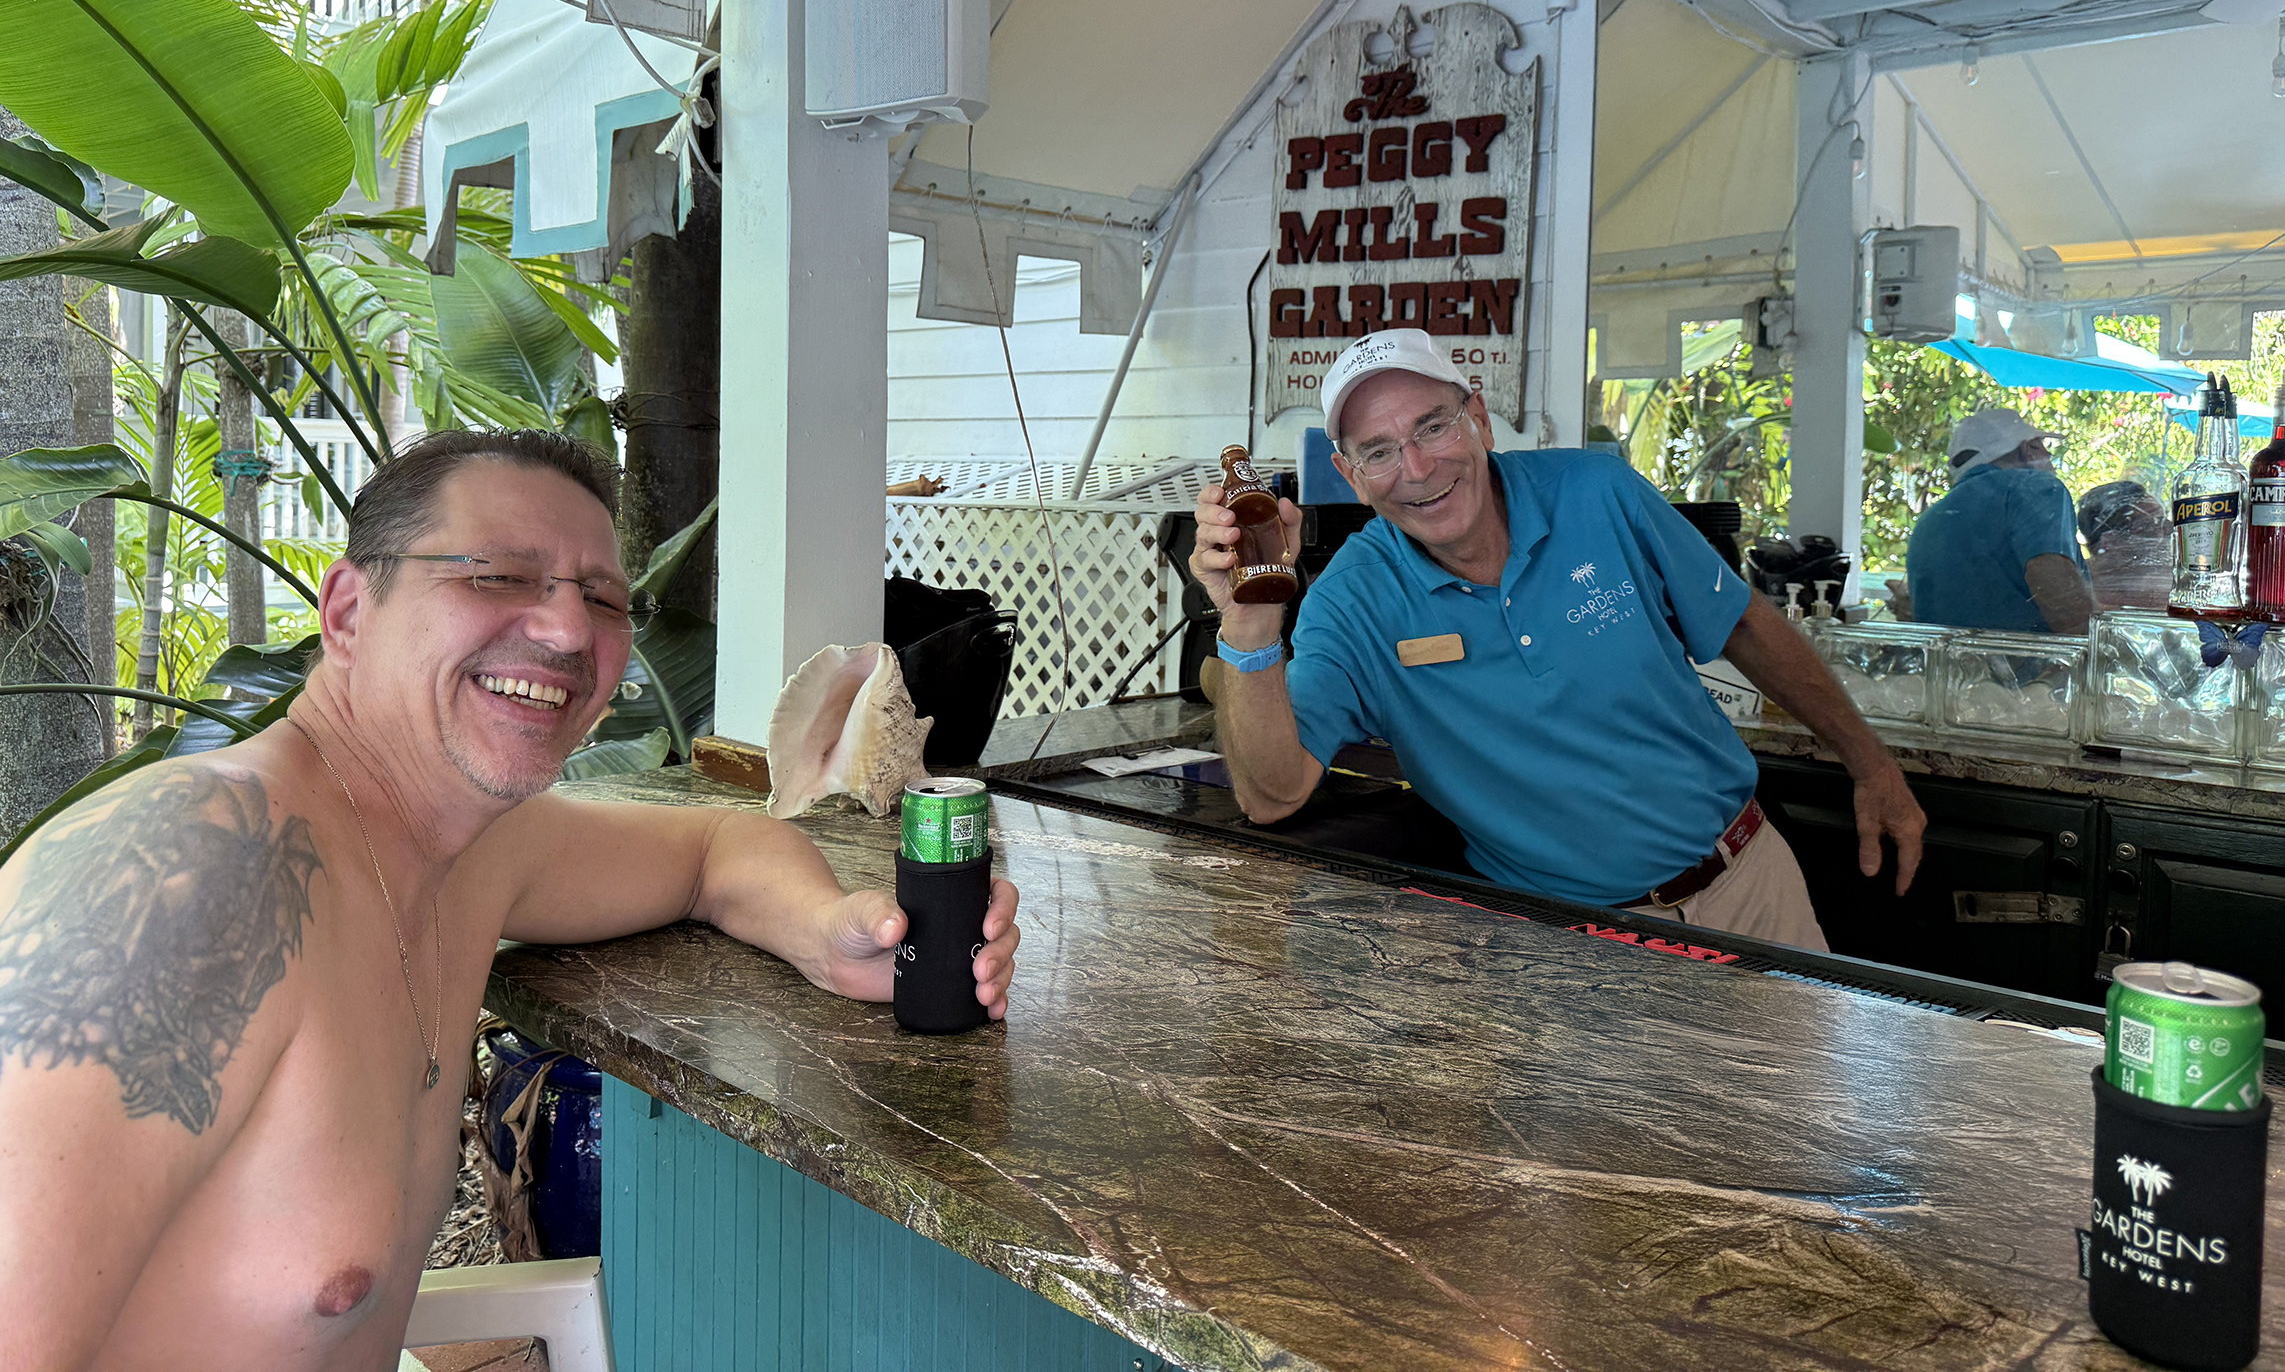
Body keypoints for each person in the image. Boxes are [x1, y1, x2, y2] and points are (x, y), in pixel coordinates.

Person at [0, 430, 1021, 1366]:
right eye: (496, 575)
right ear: (348, 612)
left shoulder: (470, 843)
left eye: (604, 599)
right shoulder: (190, 876)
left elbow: (716, 847)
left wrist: (827, 933)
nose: (569, 628)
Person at [1191, 329, 1925, 953]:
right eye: (1378, 451)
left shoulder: (1597, 491)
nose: (1416, 468)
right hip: (1573, 947)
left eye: (1432, 427)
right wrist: (1250, 624)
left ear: (1478, 419)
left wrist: (1871, 765)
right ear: (1350, 476)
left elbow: (1741, 622)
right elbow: (1271, 795)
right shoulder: (1353, 597)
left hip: (1751, 885)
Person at [1905, 408, 2093, 634]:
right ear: (2027, 450)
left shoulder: (1929, 521)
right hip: (2025, 656)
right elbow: (2057, 588)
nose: (2050, 455)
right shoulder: (2035, 486)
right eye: (2042, 446)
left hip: (1948, 656)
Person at [2078, 479, 2170, 613]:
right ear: (2109, 539)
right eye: (2148, 525)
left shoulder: (2169, 580)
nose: (2167, 530)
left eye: (2163, 521)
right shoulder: (2074, 583)